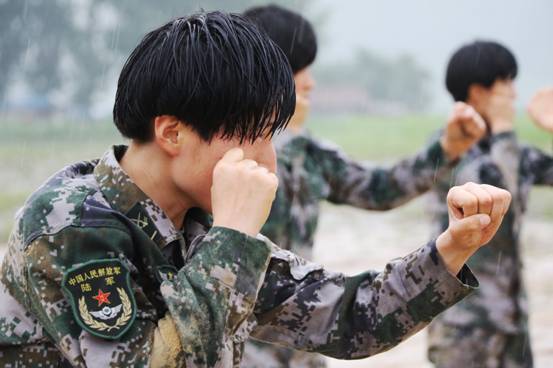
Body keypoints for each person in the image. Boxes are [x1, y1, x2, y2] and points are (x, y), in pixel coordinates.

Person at [0, 13, 510, 368]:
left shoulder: (197, 222)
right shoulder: (69, 223)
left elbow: (349, 316)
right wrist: (233, 239)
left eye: (273, 137)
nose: (268, 160)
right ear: (172, 132)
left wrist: (451, 249)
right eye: (253, 136)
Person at [241, 5, 487, 367]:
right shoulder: (224, 159)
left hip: (302, 337)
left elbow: (378, 189)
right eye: (297, 70)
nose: (308, 82)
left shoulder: (312, 153)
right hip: (244, 349)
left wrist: (446, 149)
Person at [426, 41, 553, 368]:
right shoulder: (449, 149)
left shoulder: (511, 150)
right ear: (479, 92)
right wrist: (506, 130)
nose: (514, 93)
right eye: (506, 83)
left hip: (512, 319)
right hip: (466, 326)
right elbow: (500, 211)